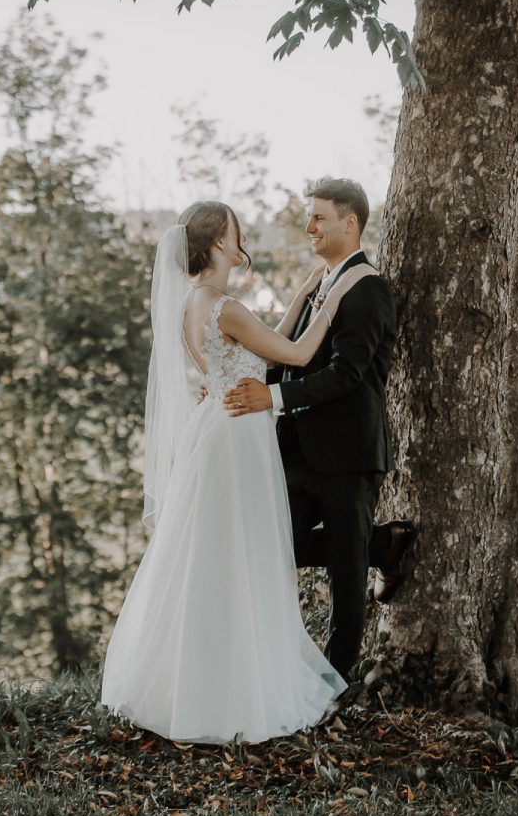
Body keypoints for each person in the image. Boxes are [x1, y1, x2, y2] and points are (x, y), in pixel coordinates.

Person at [100, 200, 368, 744]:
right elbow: (295, 354)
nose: (240, 236)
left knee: (215, 554)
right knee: (240, 552)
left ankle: (196, 684)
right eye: (235, 229)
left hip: (217, 431)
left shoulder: (194, 305)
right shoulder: (225, 307)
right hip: (236, 436)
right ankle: (235, 690)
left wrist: (303, 293)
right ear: (221, 241)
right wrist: (337, 294)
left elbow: (262, 348)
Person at [223, 177, 415, 699]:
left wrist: (273, 398)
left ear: (349, 223)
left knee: (347, 576)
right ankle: (384, 543)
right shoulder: (318, 284)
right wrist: (235, 385)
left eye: (318, 217)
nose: (309, 226)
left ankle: (333, 686)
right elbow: (288, 355)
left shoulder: (369, 288)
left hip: (349, 451)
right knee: (274, 545)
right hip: (296, 452)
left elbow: (347, 374)